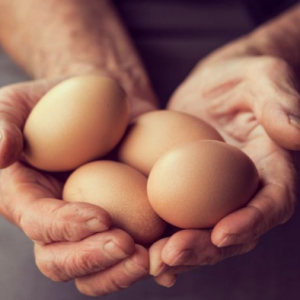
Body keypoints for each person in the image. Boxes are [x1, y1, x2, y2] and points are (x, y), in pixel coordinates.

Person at [0, 0, 299, 297]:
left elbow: (205, 172)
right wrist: (89, 68)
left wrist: (276, 46)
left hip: (254, 32)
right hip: (52, 37)